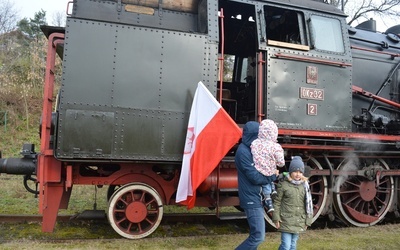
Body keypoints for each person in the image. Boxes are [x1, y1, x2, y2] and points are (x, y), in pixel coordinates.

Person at [235, 121, 278, 250]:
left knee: (256, 235)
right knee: (258, 236)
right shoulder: (243, 152)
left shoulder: (251, 149)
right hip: (251, 199)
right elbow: (254, 177)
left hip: (255, 196)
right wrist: (272, 175)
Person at [272, 156, 313, 250]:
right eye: (295, 171)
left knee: (293, 245)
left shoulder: (304, 186)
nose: (298, 174)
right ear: (290, 172)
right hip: (285, 219)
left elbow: (307, 204)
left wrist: (308, 221)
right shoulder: (283, 184)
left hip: (298, 220)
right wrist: (276, 218)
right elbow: (277, 202)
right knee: (286, 246)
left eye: (300, 172)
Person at [251, 119, 285, 213]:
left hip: (259, 170)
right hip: (270, 171)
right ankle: (273, 190)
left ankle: (268, 201)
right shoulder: (276, 146)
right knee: (272, 175)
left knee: (265, 186)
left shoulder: (255, 143)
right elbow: (281, 163)